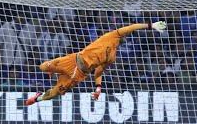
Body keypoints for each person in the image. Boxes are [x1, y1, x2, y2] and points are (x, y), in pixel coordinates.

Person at [25, 20, 167, 106]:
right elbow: (132, 27)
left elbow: (99, 71)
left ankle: (38, 98)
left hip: (80, 74)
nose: (126, 37)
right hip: (73, 60)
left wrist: (98, 88)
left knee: (54, 94)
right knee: (43, 67)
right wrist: (151, 25)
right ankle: (51, 70)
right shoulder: (112, 35)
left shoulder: (112, 57)